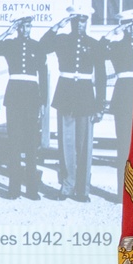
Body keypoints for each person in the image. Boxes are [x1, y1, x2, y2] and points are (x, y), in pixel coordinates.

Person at [43, 13, 106, 201]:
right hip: (66, 95)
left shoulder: (94, 44)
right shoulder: (61, 40)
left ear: (87, 22)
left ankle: (82, 190)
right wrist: (57, 25)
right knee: (66, 144)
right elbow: (43, 46)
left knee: (84, 145)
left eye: (83, 21)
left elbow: (101, 76)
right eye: (76, 21)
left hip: (86, 98)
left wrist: (100, 104)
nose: (80, 24)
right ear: (70, 23)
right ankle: (67, 186)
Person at [0, 17, 47, 200]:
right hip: (15, 98)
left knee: (31, 145)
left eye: (29, 25)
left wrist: (43, 102)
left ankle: (32, 189)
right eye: (23, 25)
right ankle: (13, 189)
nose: (27, 28)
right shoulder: (10, 44)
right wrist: (8, 31)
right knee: (14, 144)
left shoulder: (37, 46)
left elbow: (44, 75)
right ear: (18, 27)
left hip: (32, 98)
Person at [103, 12, 133, 195]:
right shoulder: (116, 46)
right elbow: (100, 49)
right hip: (124, 97)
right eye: (129, 25)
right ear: (123, 27)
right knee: (124, 145)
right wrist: (113, 32)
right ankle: (122, 192)